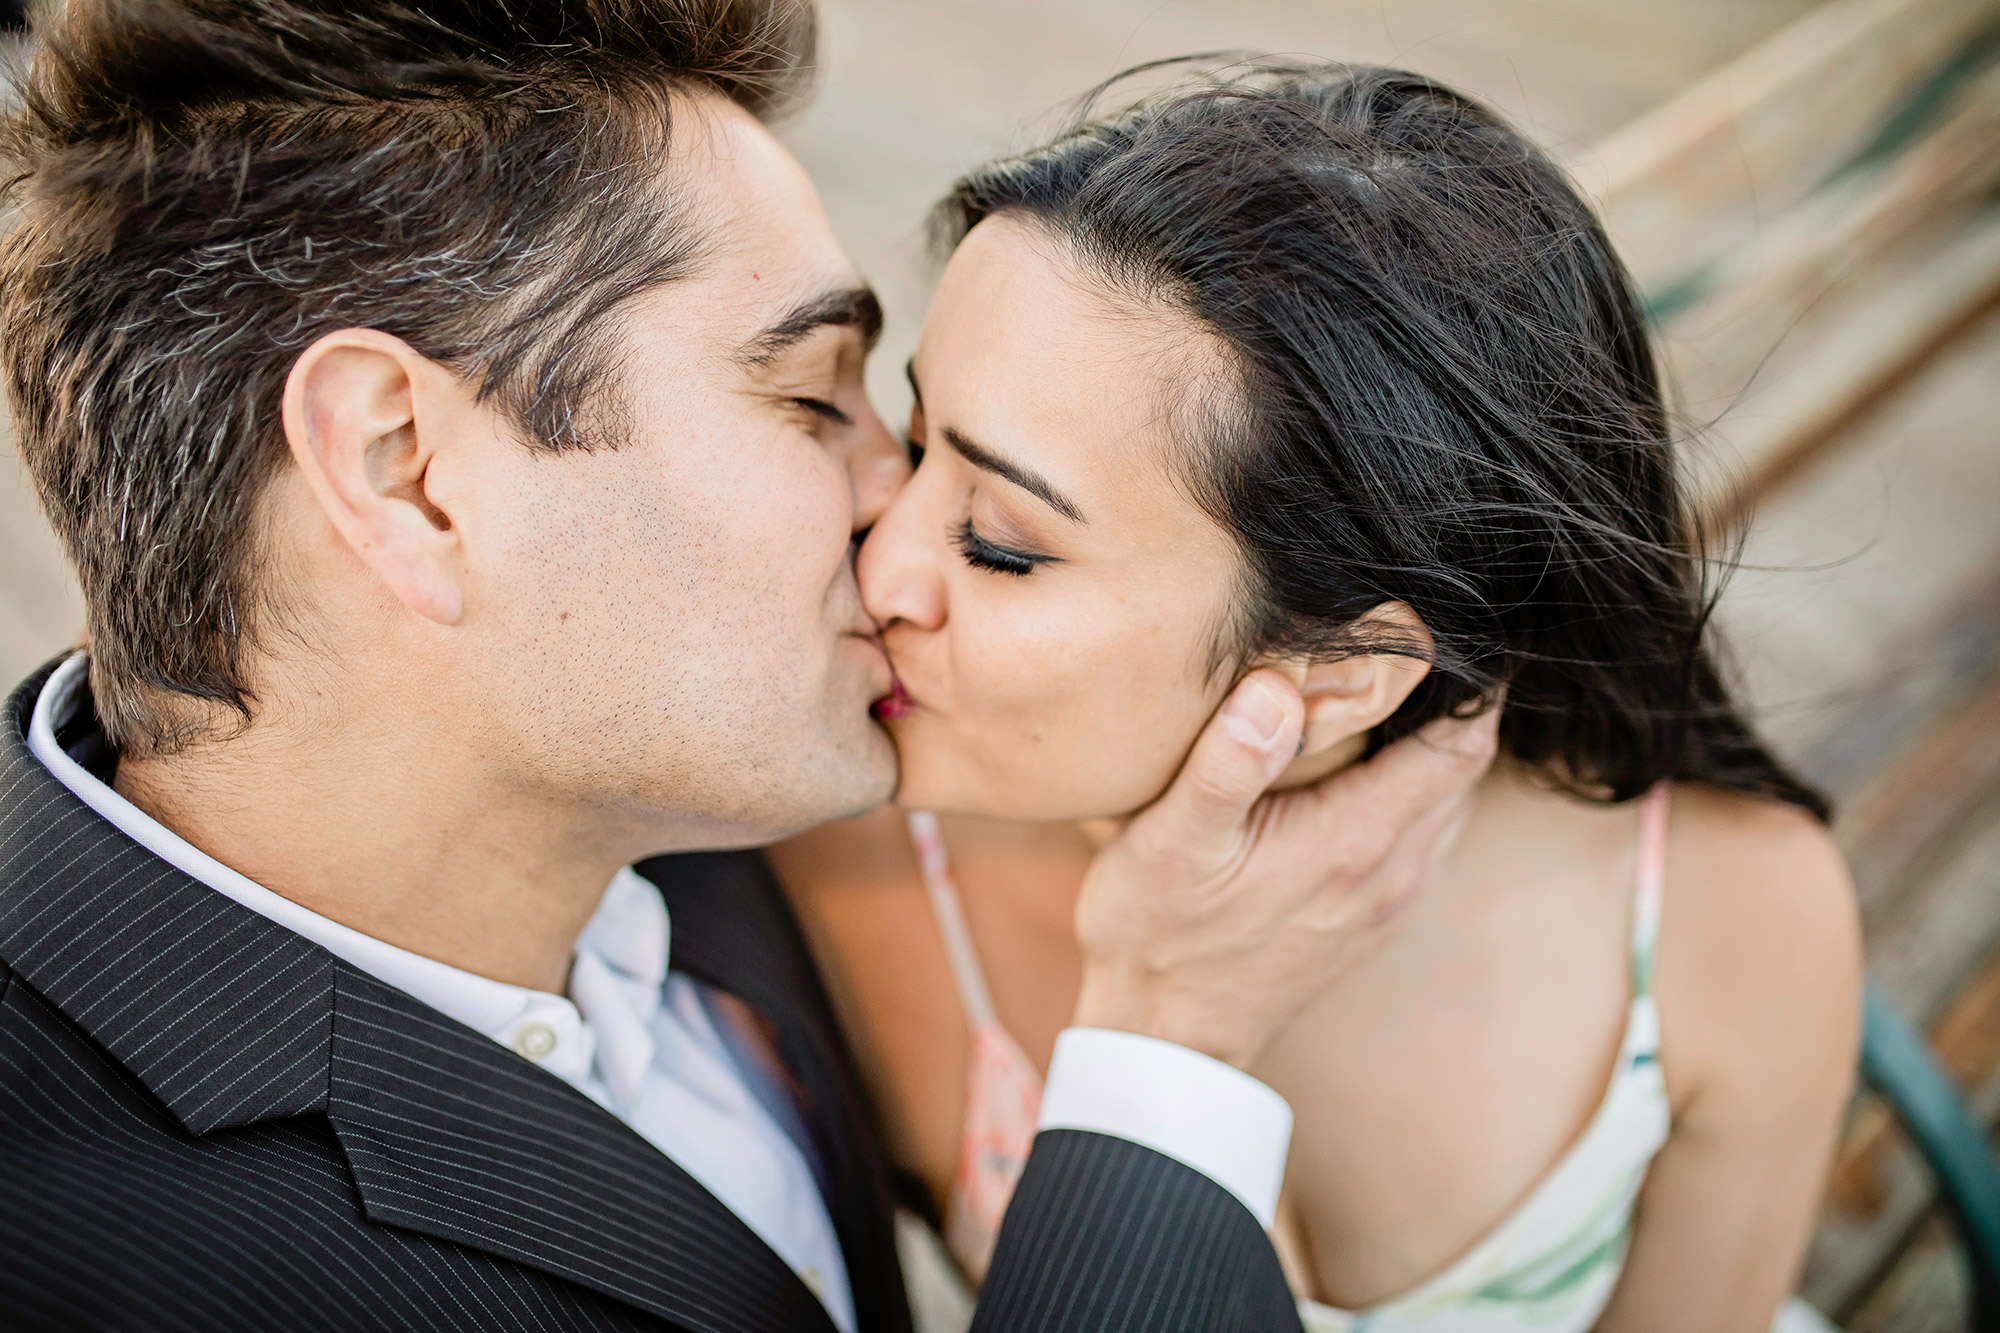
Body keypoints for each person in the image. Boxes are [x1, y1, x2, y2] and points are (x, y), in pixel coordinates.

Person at [0, 6, 1499, 1332]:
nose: (896, 498)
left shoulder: (715, 811)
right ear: (407, 473)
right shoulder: (82, 1257)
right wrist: (1167, 1057)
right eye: (807, 396)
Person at [773, 62, 1862, 1332]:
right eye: (914, 445)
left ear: (1342, 668)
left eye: (1000, 542)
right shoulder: (848, 854)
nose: (881, 565)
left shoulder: (1721, 915)